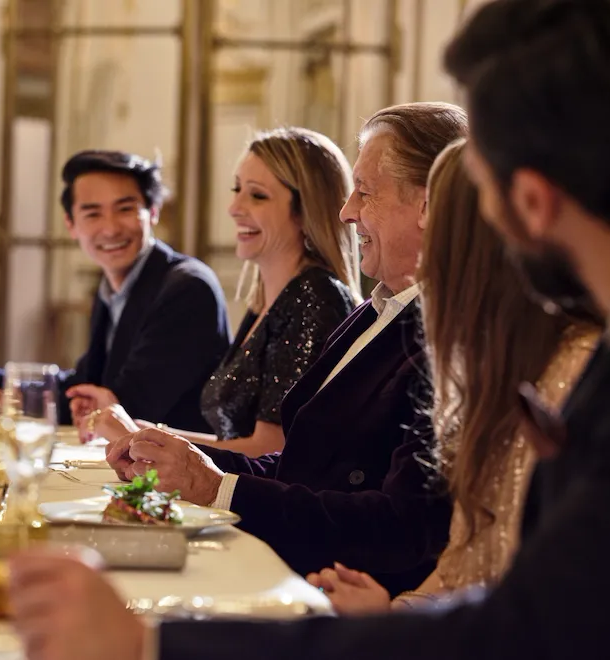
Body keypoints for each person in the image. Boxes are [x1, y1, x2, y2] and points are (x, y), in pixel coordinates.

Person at [8, 2, 610, 659]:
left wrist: (150, 643)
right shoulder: (574, 358)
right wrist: (204, 475)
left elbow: (517, 620)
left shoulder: (545, 358)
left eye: (476, 190)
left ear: (528, 200)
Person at [103, 102, 467, 592]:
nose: (347, 212)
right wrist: (188, 462)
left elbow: (399, 527)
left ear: (428, 205)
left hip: (340, 602)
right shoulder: (379, 310)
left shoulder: (454, 337)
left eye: (364, 192)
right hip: (286, 566)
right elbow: (303, 462)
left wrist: (216, 488)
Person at [310, 139, 600, 613]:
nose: (429, 266)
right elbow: (462, 560)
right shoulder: (491, 368)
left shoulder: (574, 371)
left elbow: (546, 606)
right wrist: (398, 610)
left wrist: (393, 626)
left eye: (439, 239)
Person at [88, 127, 361, 457]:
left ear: (306, 210)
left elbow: (271, 450)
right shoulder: (267, 300)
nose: (234, 207)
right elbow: (236, 442)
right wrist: (145, 431)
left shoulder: (314, 296)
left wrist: (139, 436)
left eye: (257, 195)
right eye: (237, 190)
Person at [0, 150, 230, 433]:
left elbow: (128, 406)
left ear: (153, 212)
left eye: (125, 209)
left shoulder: (188, 288)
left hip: (174, 469)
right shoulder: (111, 287)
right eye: (93, 213)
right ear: (71, 224)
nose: (110, 228)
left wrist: (8, 398)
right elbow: (86, 384)